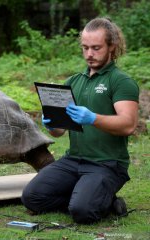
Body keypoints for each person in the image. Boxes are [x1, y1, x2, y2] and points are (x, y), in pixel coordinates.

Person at [21, 17, 139, 224]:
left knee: (82, 213)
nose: (89, 54)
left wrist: (93, 118)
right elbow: (59, 132)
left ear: (112, 46)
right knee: (32, 198)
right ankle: (94, 197)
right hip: (73, 160)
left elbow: (128, 124)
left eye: (96, 48)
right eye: (85, 48)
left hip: (107, 164)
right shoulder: (73, 81)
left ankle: (98, 200)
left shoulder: (121, 81)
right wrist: (51, 123)